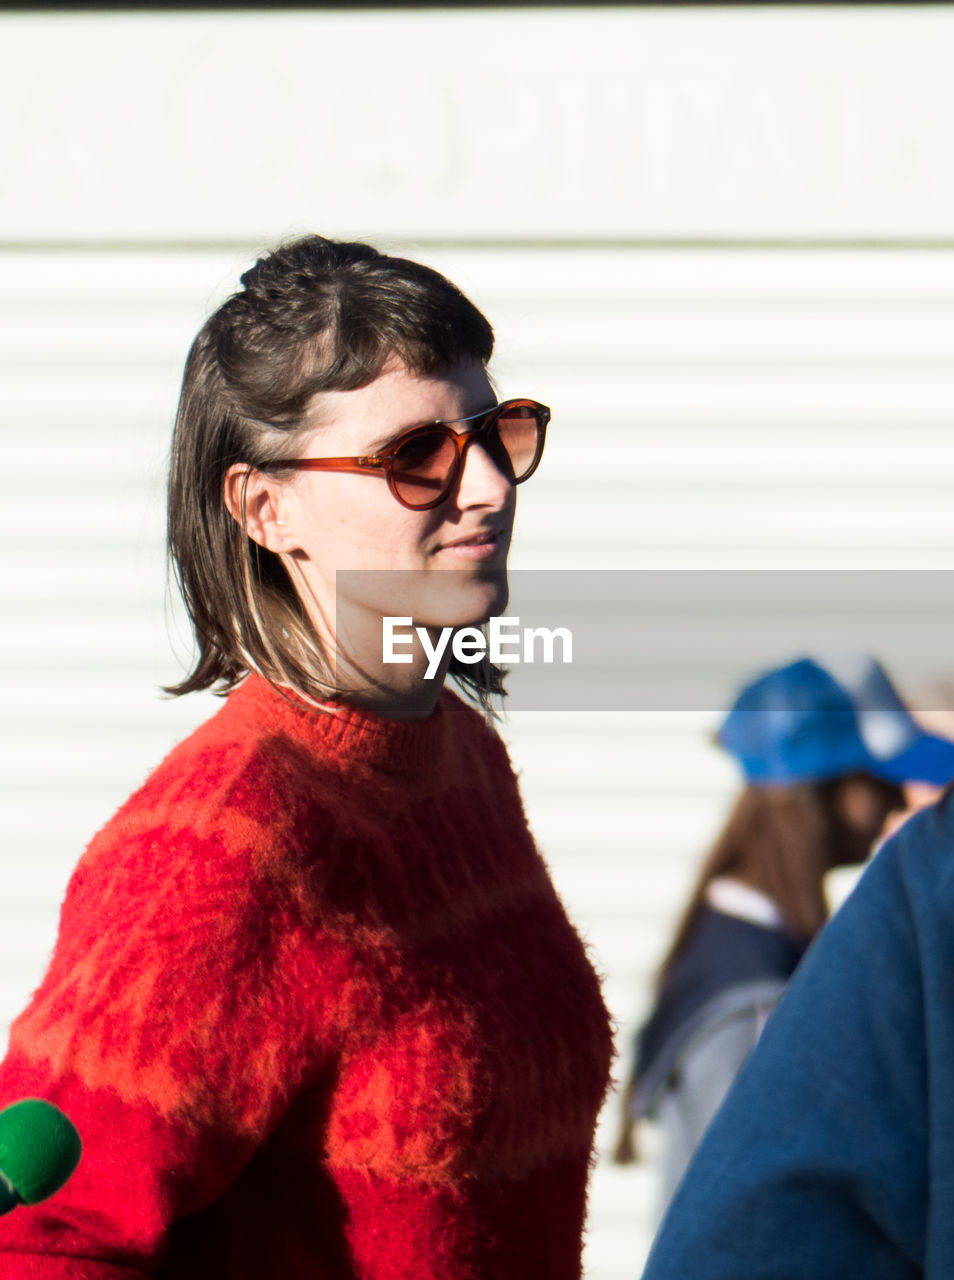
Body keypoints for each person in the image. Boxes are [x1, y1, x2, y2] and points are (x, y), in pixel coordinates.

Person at [0, 235, 613, 1278]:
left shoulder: (456, 755)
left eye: (497, 431)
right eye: (416, 454)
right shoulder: (222, 844)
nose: (489, 485)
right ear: (264, 507)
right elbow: (40, 1237)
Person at [614, 655, 954, 1217]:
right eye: (880, 782)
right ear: (827, 793)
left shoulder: (744, 950)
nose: (898, 803)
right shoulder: (754, 1002)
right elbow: (743, 1223)